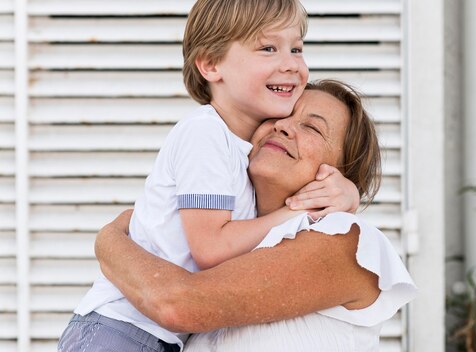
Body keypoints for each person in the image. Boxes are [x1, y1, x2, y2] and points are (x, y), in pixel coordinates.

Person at [57, 1, 359, 351]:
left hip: (157, 335)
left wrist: (345, 191)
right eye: (268, 48)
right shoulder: (205, 135)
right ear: (211, 64)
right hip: (121, 328)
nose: (291, 63)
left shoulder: (247, 151)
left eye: (296, 48)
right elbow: (212, 249)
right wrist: (297, 211)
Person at [87, 80, 418, 352]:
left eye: (312, 128)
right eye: (280, 115)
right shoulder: (229, 239)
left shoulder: (345, 239)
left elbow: (176, 303)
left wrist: (109, 241)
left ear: (341, 172)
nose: (284, 127)